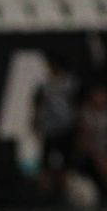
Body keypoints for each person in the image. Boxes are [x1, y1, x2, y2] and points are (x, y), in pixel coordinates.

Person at [32, 55, 80, 198]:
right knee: (45, 163)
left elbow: (77, 104)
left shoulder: (71, 83)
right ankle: (45, 194)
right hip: (49, 129)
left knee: (67, 163)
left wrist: (77, 125)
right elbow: (38, 105)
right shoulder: (45, 84)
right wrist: (35, 122)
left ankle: (65, 192)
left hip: (66, 128)